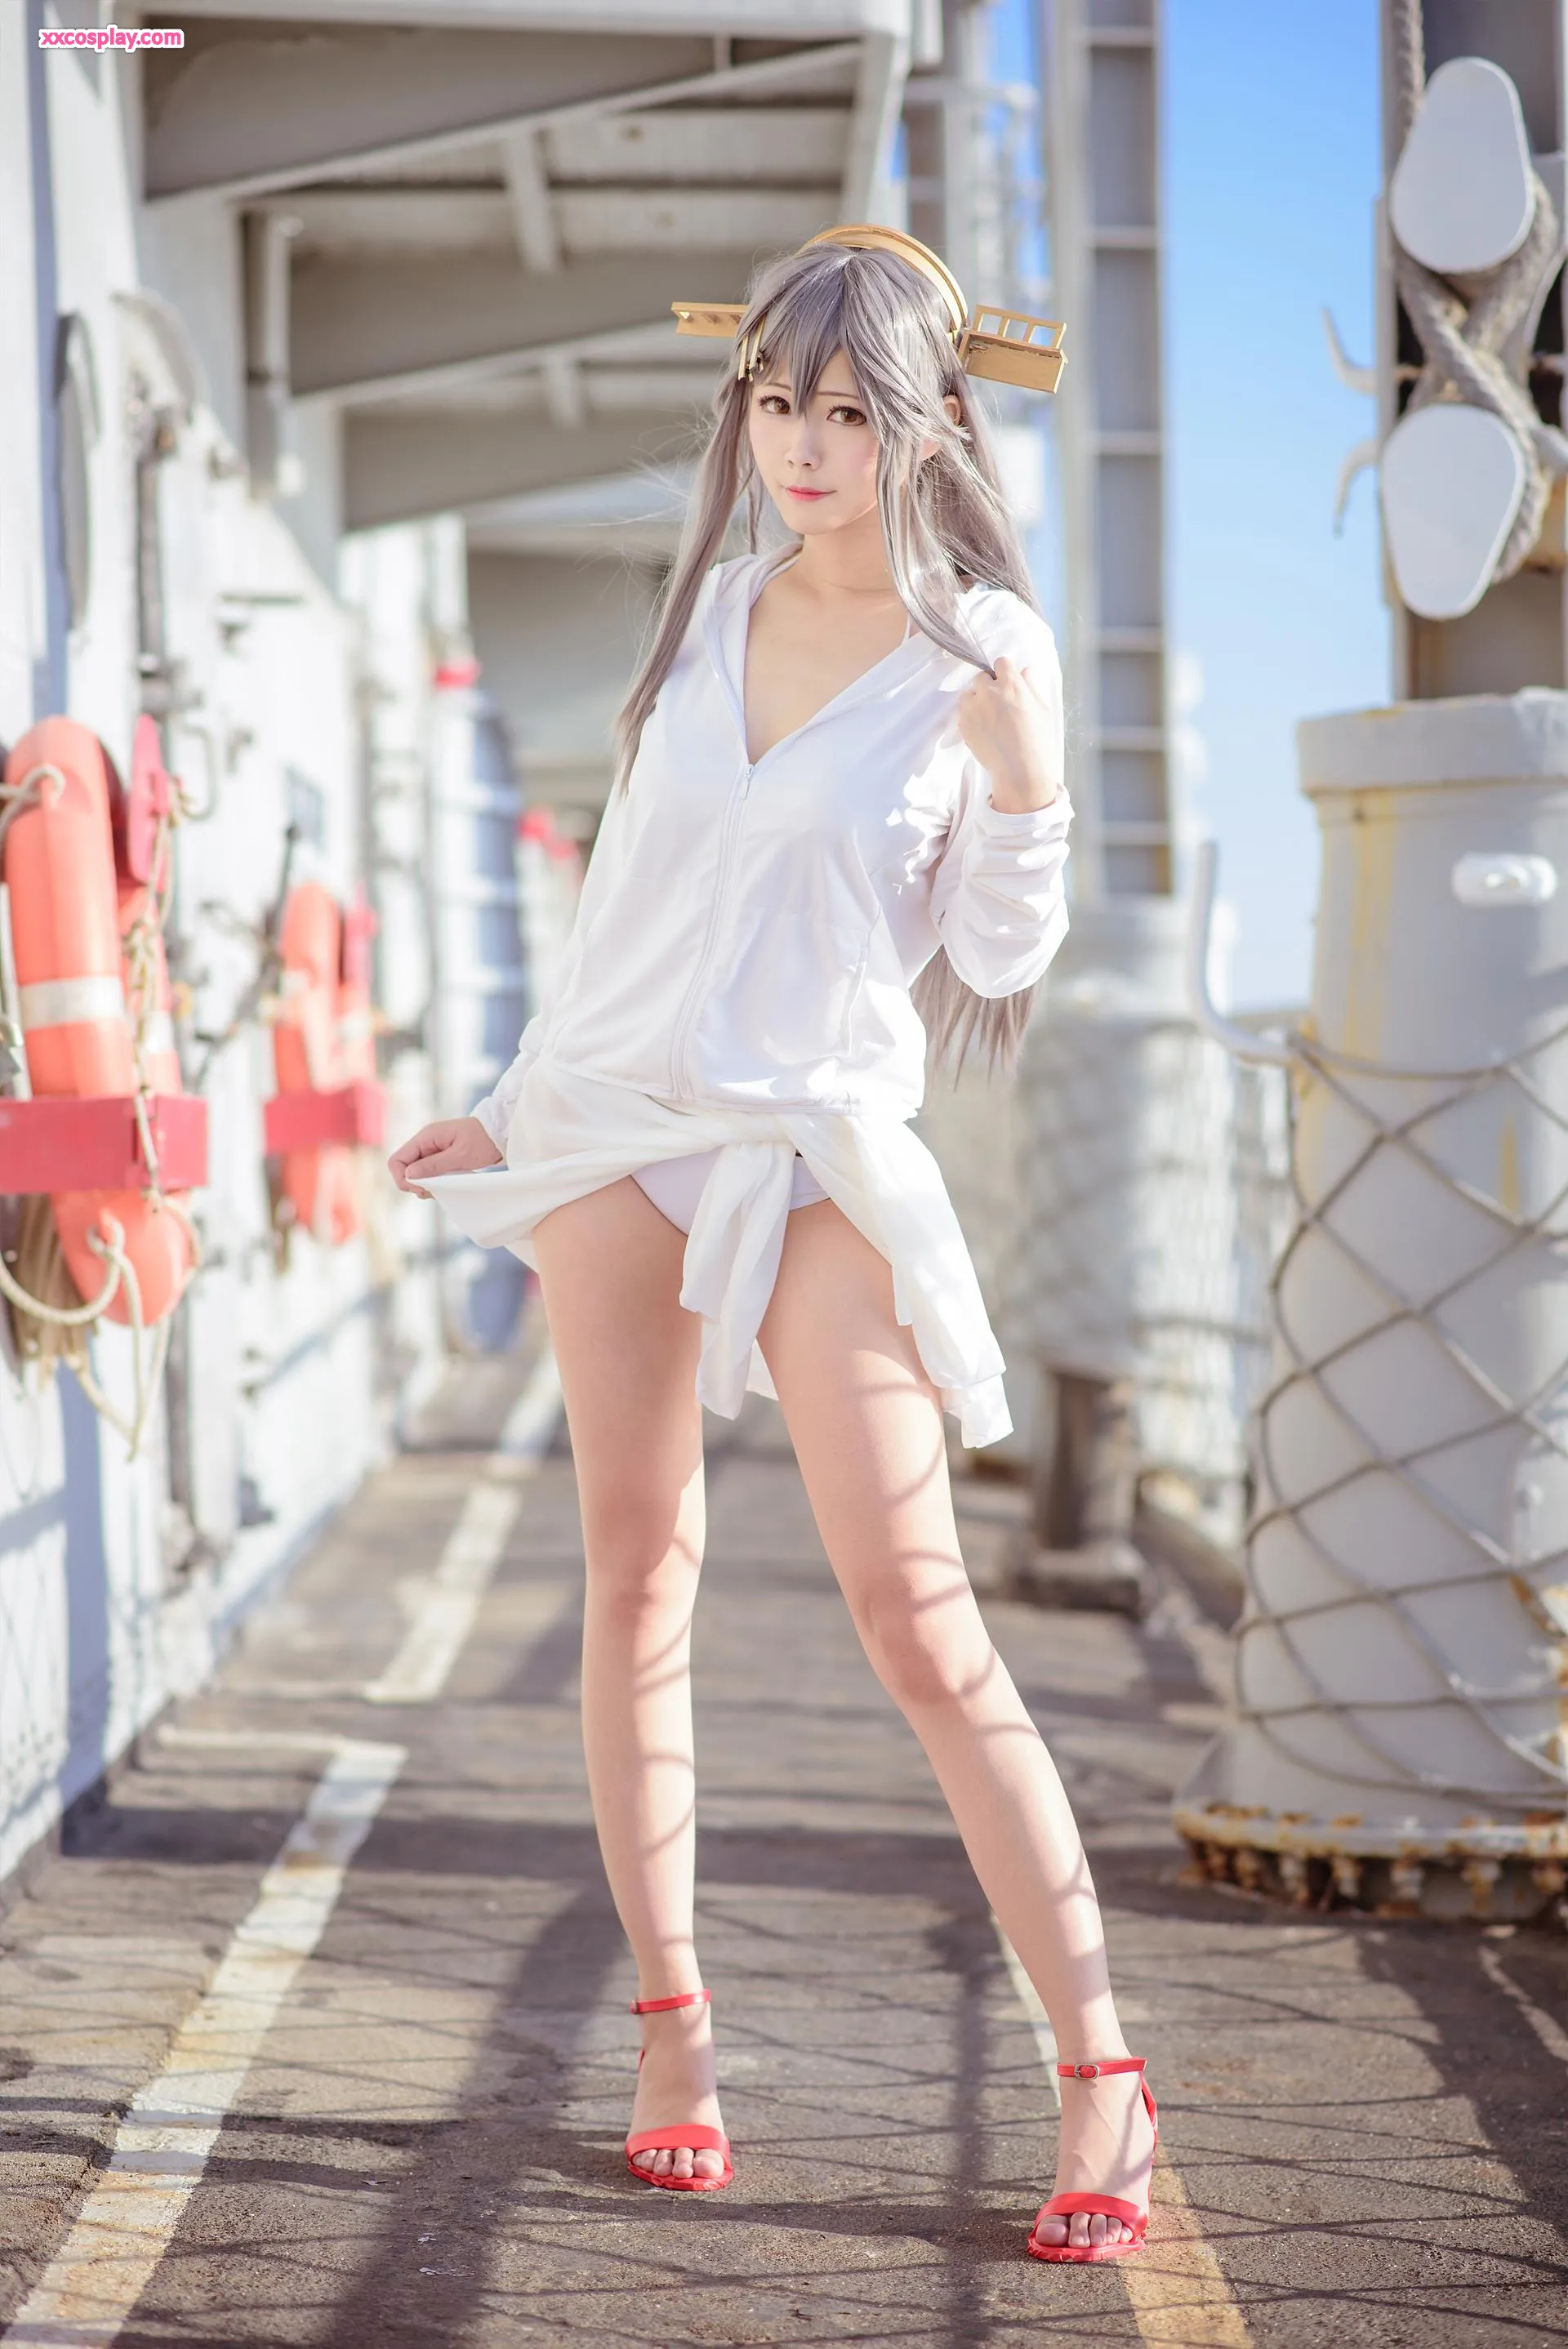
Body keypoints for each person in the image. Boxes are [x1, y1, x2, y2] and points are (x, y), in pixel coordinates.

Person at [388, 225, 1156, 2264]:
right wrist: (514, 1102)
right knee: (638, 1570)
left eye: (848, 411)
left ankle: (1100, 2068)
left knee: (916, 1610)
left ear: (931, 423)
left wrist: (1027, 785)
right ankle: (675, 2034)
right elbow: (623, 915)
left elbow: (996, 956)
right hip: (615, 1133)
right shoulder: (715, 607)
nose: (804, 446)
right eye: (778, 403)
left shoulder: (982, 646)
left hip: (820, 1150)